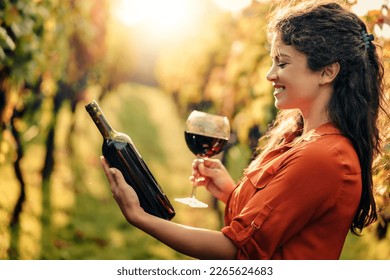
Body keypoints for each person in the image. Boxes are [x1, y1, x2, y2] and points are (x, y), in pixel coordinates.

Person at [101, 0, 387, 259]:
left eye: (283, 62)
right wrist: (229, 191)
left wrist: (140, 217)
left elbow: (237, 251)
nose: (269, 74)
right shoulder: (299, 136)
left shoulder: (324, 157)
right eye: (273, 61)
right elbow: (277, 222)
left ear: (327, 72)